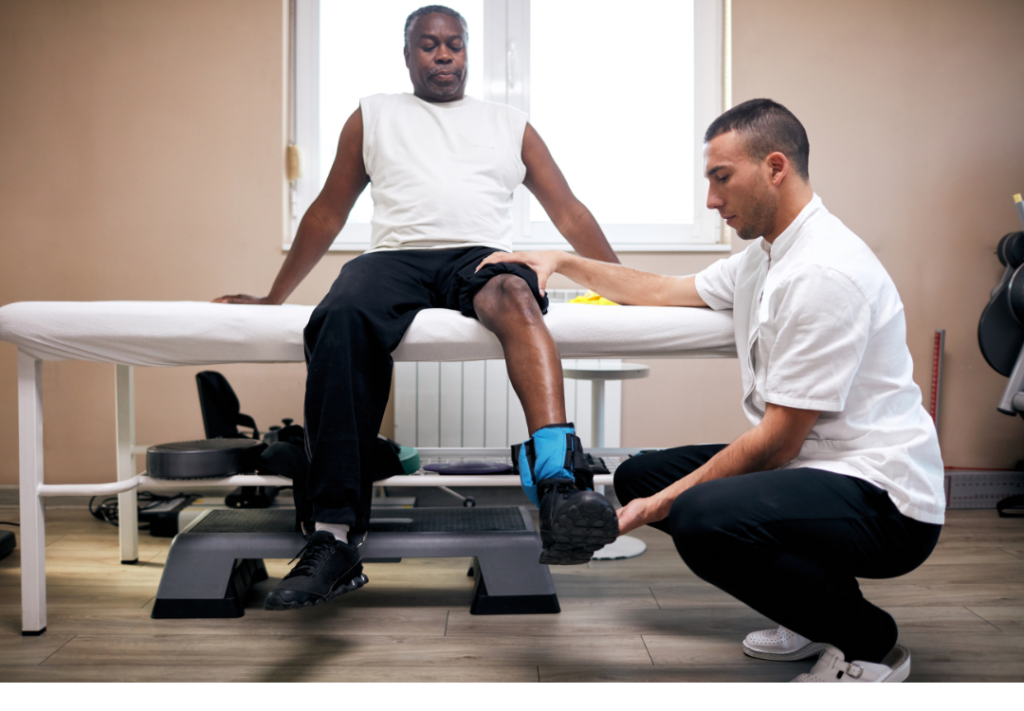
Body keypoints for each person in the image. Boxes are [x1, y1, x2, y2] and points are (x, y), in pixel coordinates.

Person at [476, 98, 945, 683]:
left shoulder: (824, 272)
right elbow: (665, 289)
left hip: (884, 499)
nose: (711, 200)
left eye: (721, 178)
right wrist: (564, 261)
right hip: (817, 468)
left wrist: (659, 508)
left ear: (776, 167)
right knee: (636, 475)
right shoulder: (766, 256)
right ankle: (810, 608)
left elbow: (775, 444)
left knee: (698, 516)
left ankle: (869, 643)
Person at [214, 5, 620, 611]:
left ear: (467, 52)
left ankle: (558, 484)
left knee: (515, 290)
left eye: (454, 44)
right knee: (342, 312)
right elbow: (327, 211)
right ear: (407, 54)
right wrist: (275, 296)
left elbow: (570, 212)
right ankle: (333, 537)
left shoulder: (508, 123)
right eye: (429, 45)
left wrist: (623, 285)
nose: (444, 54)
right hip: (394, 259)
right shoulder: (374, 115)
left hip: (479, 258)